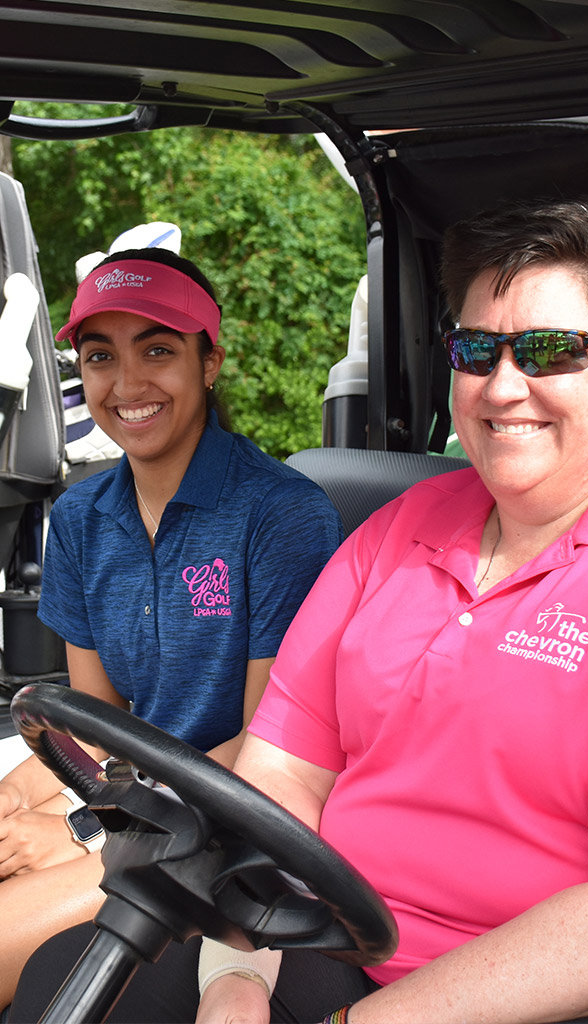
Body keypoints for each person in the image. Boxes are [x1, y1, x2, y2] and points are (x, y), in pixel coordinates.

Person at [12, 193, 588, 1024]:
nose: (504, 385)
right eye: (478, 350)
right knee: (72, 981)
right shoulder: (396, 533)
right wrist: (233, 979)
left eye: (550, 351)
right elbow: (280, 779)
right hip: (352, 931)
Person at [0, 246, 343, 1010]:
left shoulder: (281, 515)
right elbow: (95, 725)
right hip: (130, 798)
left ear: (210, 360)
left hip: (227, 829)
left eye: (157, 349)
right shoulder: (83, 518)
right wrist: (19, 799)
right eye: (100, 356)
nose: (126, 384)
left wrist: (86, 826)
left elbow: (269, 750)